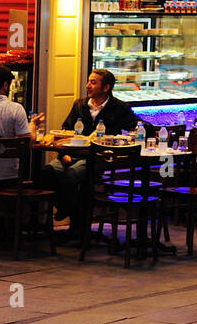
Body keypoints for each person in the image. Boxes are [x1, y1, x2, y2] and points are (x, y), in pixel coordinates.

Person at [37, 69, 141, 222]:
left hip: (98, 158)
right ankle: (66, 207)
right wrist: (64, 154)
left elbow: (138, 125)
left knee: (72, 174)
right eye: (88, 82)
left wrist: (147, 130)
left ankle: (73, 217)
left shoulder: (119, 108)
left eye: (93, 83)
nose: (87, 86)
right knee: (46, 173)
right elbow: (66, 129)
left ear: (106, 87)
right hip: (71, 154)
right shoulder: (80, 105)